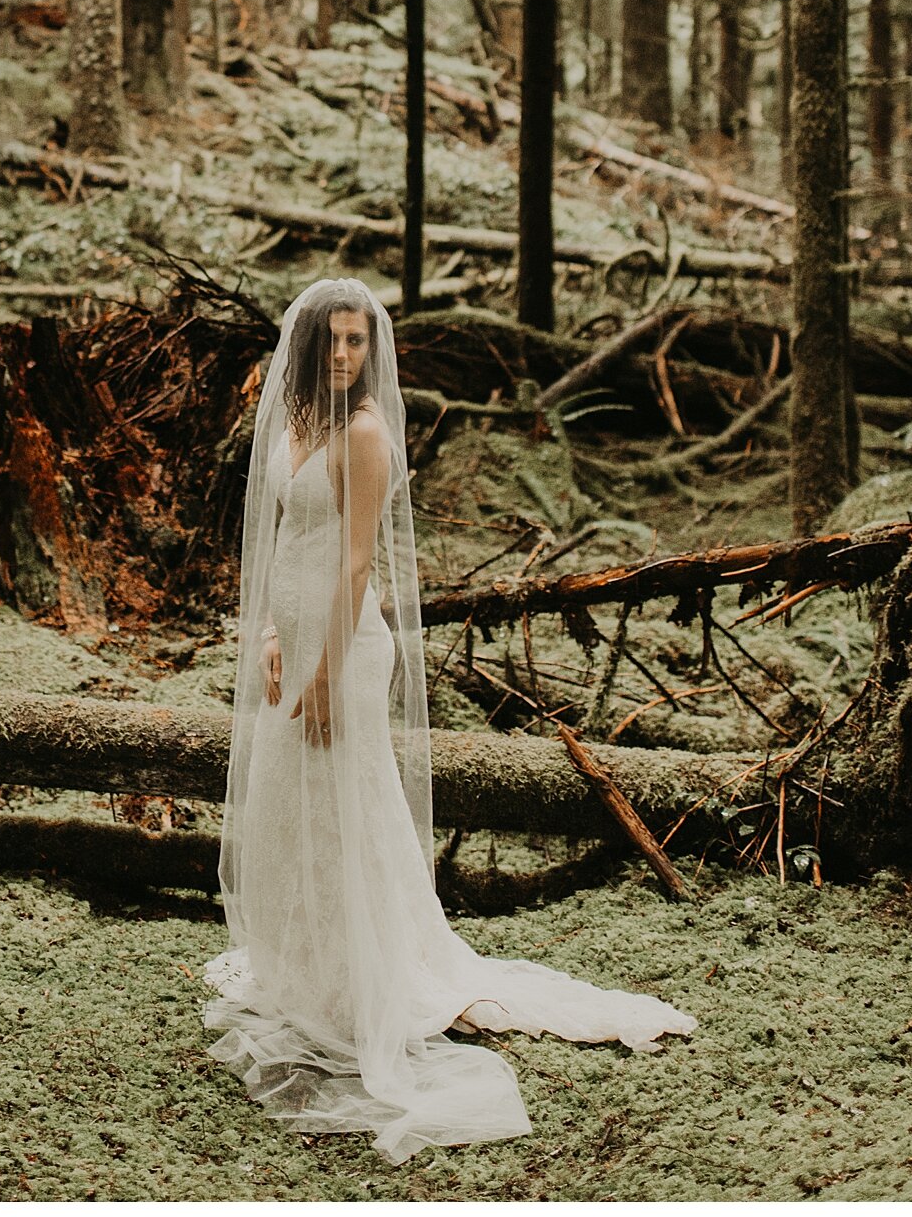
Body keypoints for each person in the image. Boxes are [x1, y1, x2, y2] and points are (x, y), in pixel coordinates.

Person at [204, 276, 696, 1165]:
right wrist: (272, 632)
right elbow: (280, 536)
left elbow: (356, 562)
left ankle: (360, 986)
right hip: (294, 641)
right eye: (334, 342)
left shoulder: (361, 434)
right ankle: (304, 968)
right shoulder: (291, 424)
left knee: (344, 810)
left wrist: (322, 666)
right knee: (289, 807)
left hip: (344, 653)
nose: (348, 357)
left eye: (361, 342)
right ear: (309, 347)